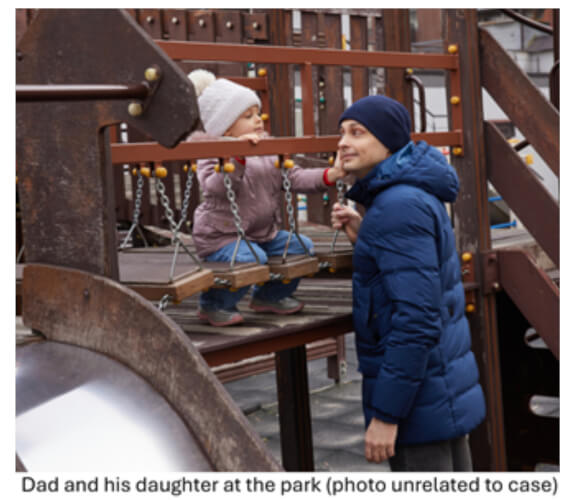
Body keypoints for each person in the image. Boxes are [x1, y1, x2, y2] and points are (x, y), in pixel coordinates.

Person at [330, 95, 486, 471]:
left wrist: (386, 415)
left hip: (418, 403)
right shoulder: (406, 195)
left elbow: (416, 320)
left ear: (388, 142)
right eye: (341, 133)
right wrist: (367, 236)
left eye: (357, 132)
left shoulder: (396, 207)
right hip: (436, 390)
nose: (343, 143)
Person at [188, 69, 345, 327]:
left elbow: (293, 178)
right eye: (248, 116)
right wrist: (236, 156)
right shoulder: (212, 151)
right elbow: (215, 187)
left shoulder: (266, 149)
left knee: (301, 246)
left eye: (257, 113)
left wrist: (329, 175)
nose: (258, 120)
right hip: (221, 236)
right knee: (250, 259)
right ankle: (214, 304)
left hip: (262, 234)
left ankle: (268, 297)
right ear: (226, 126)